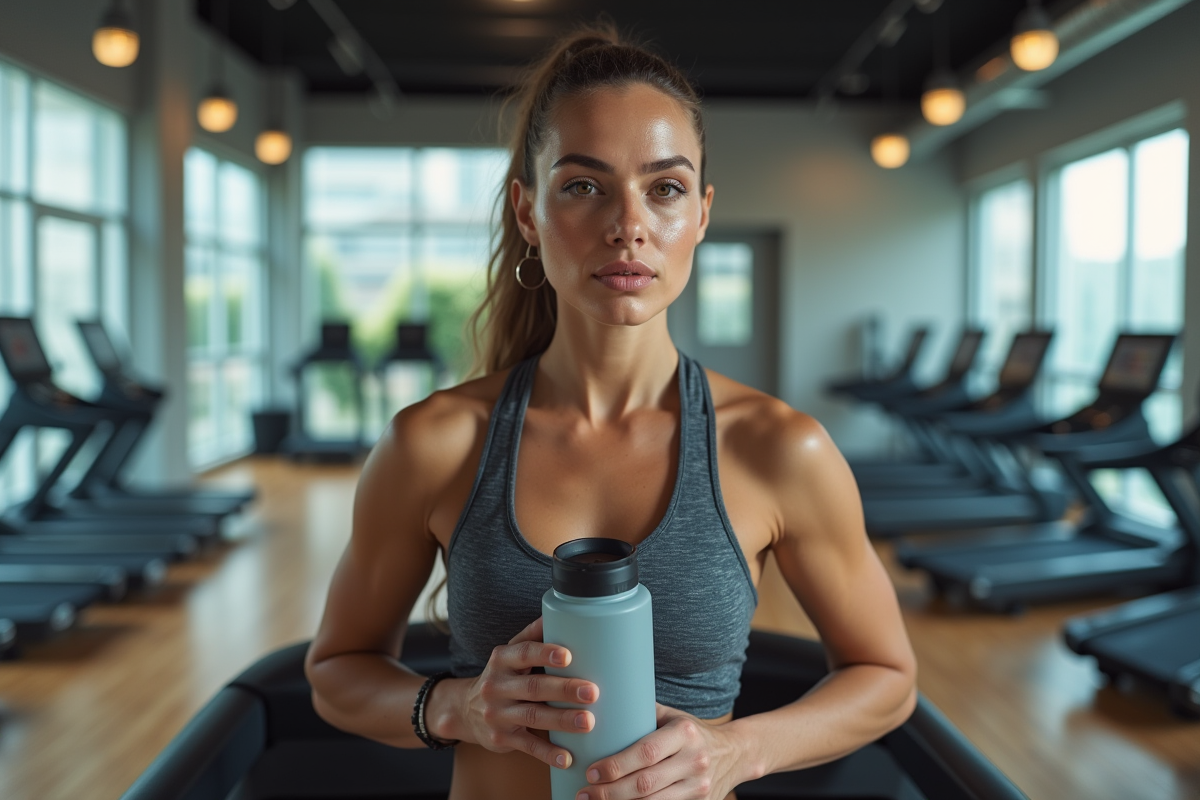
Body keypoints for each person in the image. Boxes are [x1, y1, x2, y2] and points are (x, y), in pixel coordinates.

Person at [305, 25, 917, 800]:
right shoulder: (434, 444)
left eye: (665, 189)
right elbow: (336, 673)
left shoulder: (778, 448)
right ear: (528, 213)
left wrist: (739, 750)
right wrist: (458, 707)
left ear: (701, 214)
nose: (629, 224)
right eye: (584, 186)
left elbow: (887, 677)